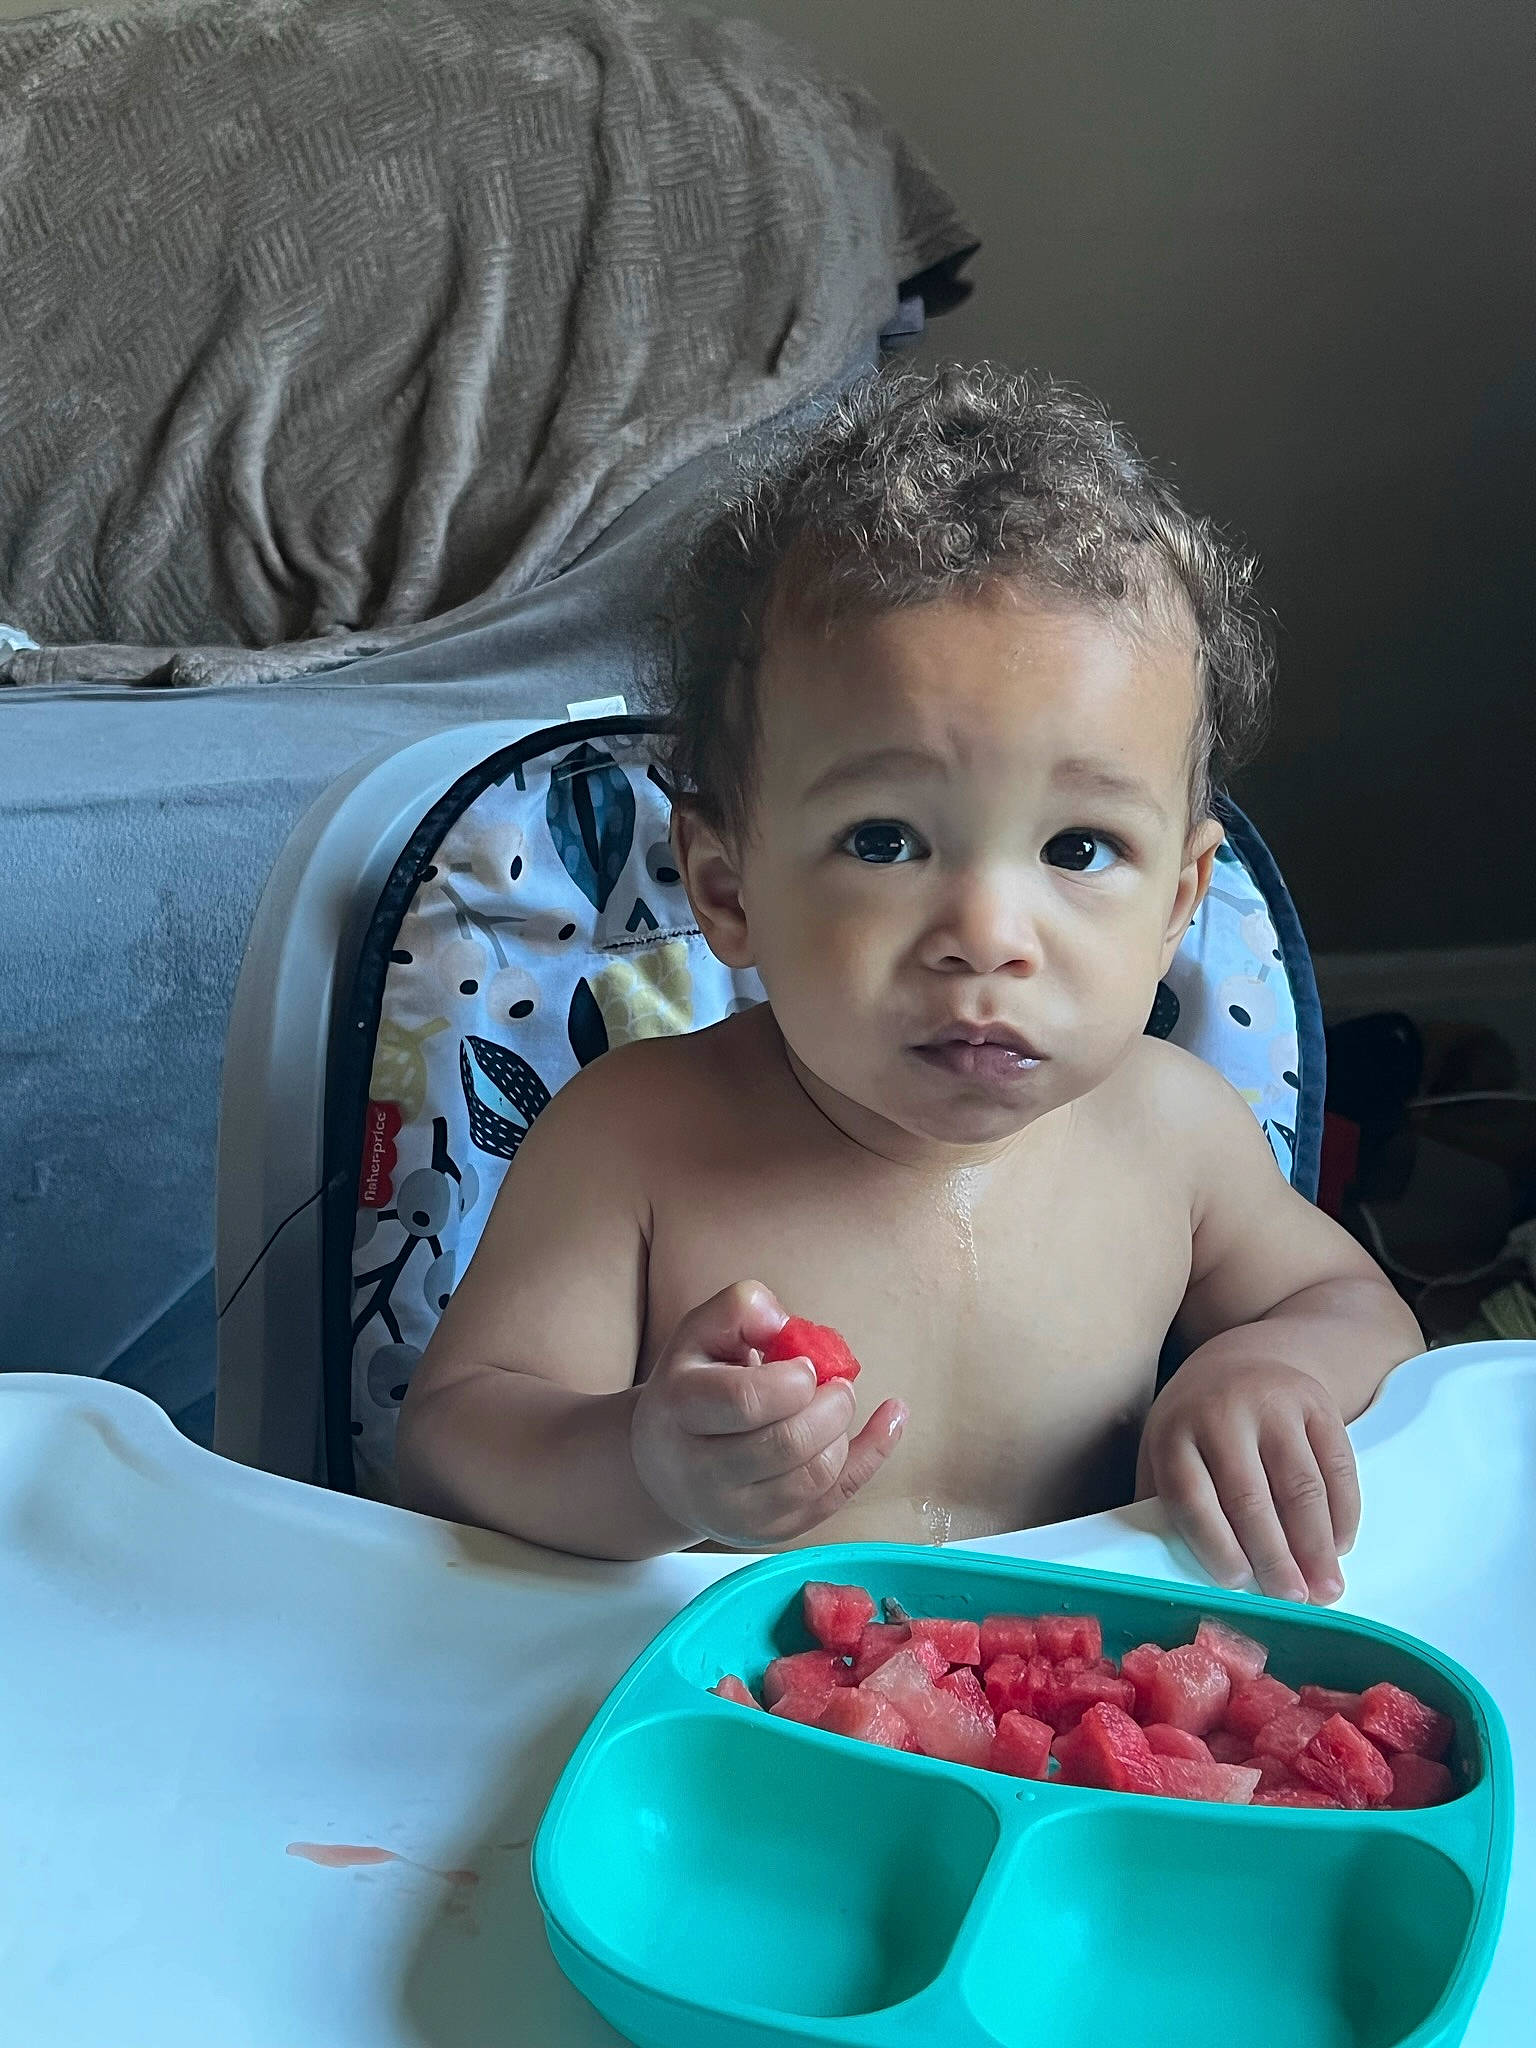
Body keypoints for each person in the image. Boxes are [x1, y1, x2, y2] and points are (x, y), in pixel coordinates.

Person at [396, 364, 1421, 1600]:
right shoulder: (634, 1140)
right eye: (886, 839)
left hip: (1087, 1722)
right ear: (726, 888)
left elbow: (1356, 1306)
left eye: (1079, 848)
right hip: (741, 1732)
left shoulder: (1176, 1133)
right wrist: (646, 1466)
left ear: (1179, 904)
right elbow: (456, 1444)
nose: (987, 934)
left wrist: (1267, 1367)